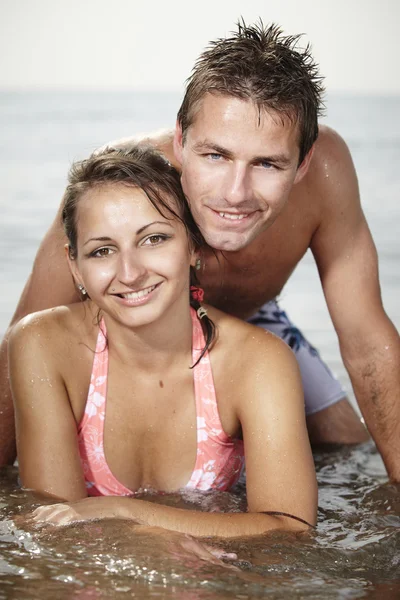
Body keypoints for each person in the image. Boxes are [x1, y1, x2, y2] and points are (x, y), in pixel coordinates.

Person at [1, 21, 399, 480]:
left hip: (255, 322)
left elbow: (368, 343)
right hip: (140, 327)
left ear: (303, 162)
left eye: (267, 163)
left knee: (348, 446)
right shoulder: (127, 189)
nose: (235, 193)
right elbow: (22, 342)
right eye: (215, 156)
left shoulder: (327, 174)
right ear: (180, 140)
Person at [8, 146, 317, 535]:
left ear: (192, 245)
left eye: (153, 239)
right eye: (102, 251)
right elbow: (55, 528)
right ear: (75, 266)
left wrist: (125, 513)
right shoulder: (43, 345)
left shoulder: (255, 361)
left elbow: (291, 529)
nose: (130, 272)